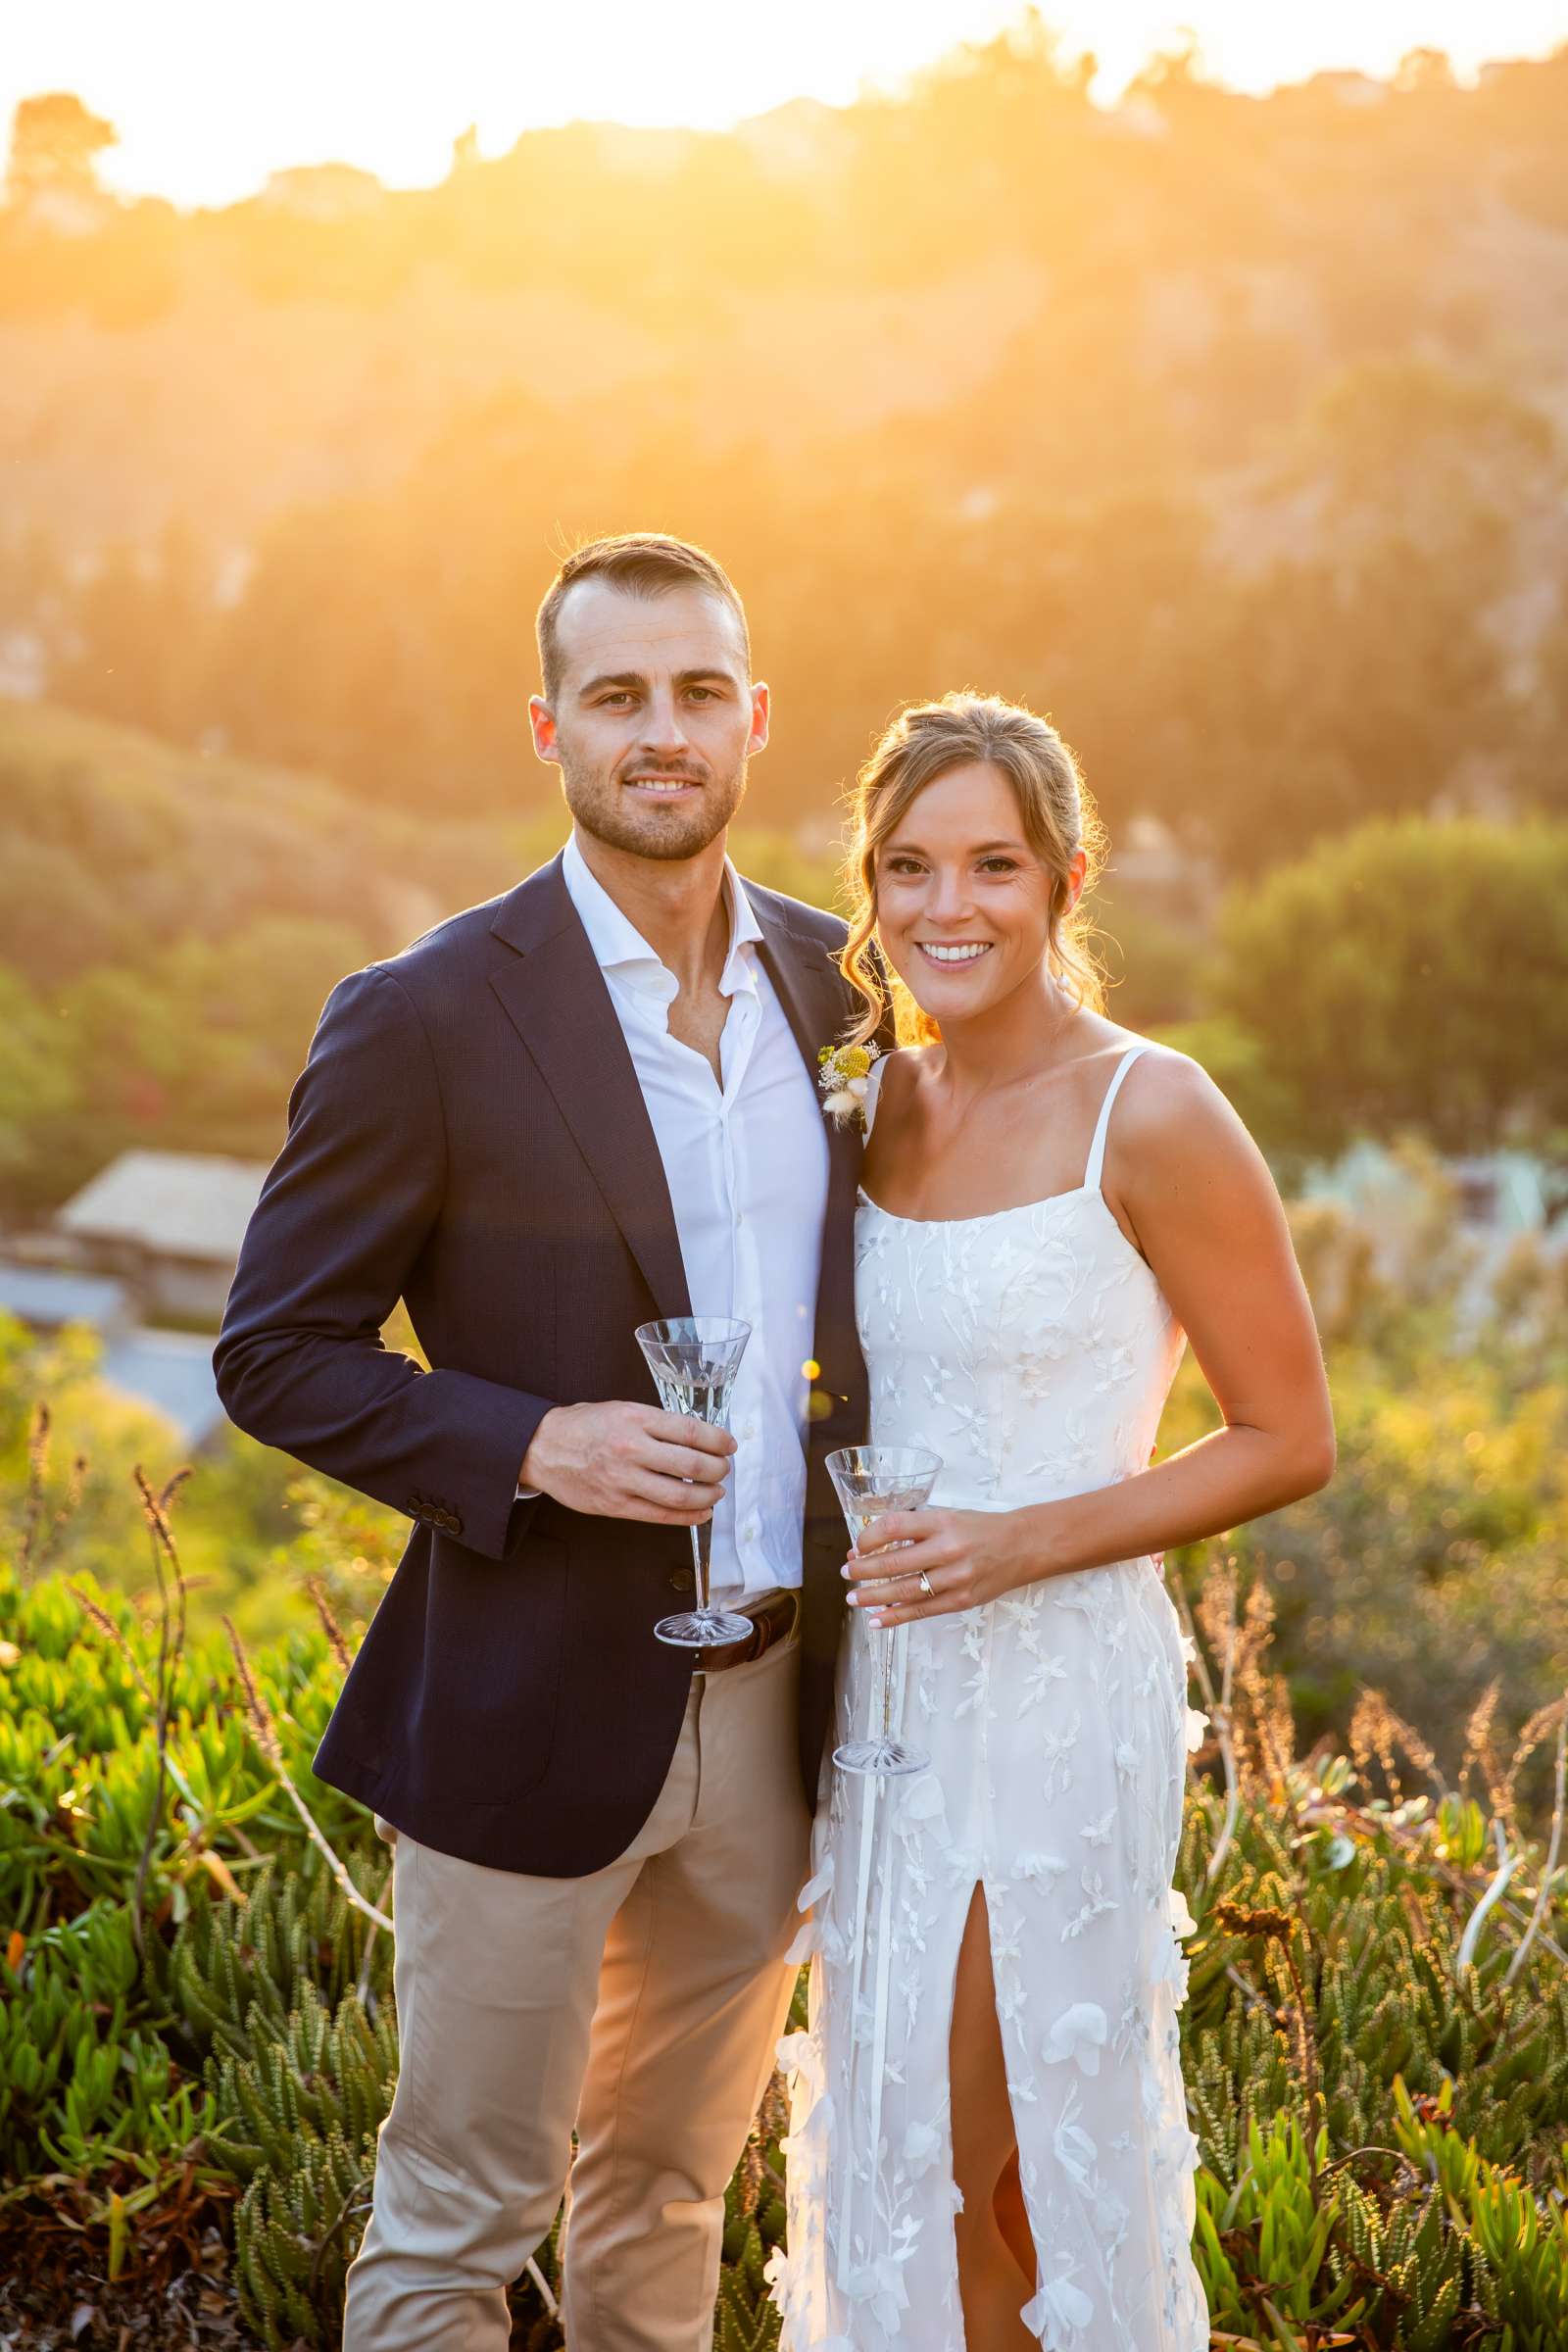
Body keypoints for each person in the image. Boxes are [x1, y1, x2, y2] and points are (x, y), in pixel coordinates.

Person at [214, 533, 876, 2351]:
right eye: (615, 697)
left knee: (671, 2197)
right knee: (456, 2227)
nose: (659, 732)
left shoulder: (848, 993)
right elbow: (277, 1351)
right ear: (549, 728)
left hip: (772, 1713)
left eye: (693, 695)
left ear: (755, 720)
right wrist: (535, 1443)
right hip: (522, 1703)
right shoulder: (421, 1013)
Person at [772, 694, 1336, 2351]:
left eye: (993, 866)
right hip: (882, 1708)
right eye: (909, 868)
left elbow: (1288, 1435)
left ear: (1067, 880)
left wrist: (1024, 1542)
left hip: (1055, 1699)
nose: (949, 907)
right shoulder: (873, 1109)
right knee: (908, 2166)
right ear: (870, 893)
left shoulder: (1153, 1112)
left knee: (973, 2159)